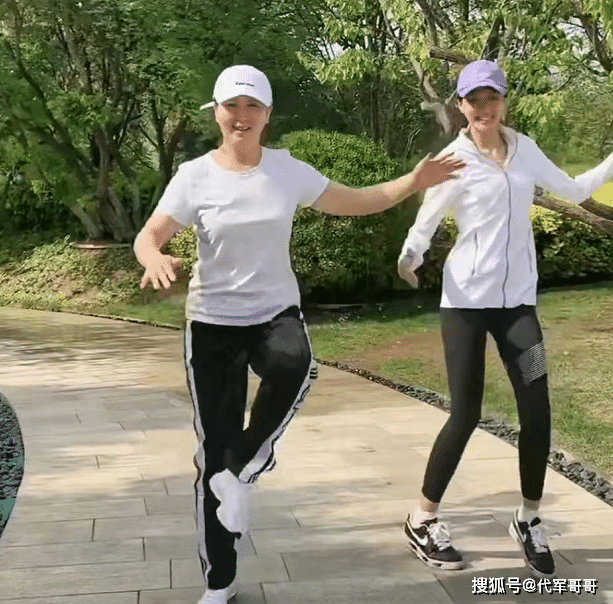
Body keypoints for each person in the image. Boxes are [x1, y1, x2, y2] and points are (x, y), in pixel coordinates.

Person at [133, 64, 464, 604]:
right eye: (232, 106)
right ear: (216, 113)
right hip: (212, 324)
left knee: (294, 365)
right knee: (213, 455)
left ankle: (244, 470)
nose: (241, 116)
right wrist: (153, 257)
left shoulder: (286, 171)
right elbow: (150, 234)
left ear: (267, 114)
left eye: (252, 107)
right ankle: (219, 581)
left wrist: (415, 181)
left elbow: (357, 200)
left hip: (273, 314)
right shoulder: (194, 176)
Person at [397, 59, 613, 579]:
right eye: (474, 100)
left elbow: (573, 190)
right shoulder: (454, 158)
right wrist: (410, 257)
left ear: (503, 101)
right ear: (461, 106)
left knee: (537, 409)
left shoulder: (525, 149)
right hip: (465, 306)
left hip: (518, 307)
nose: (484, 108)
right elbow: (427, 219)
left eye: (492, 98)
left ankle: (529, 518)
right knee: (465, 412)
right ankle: (422, 519)